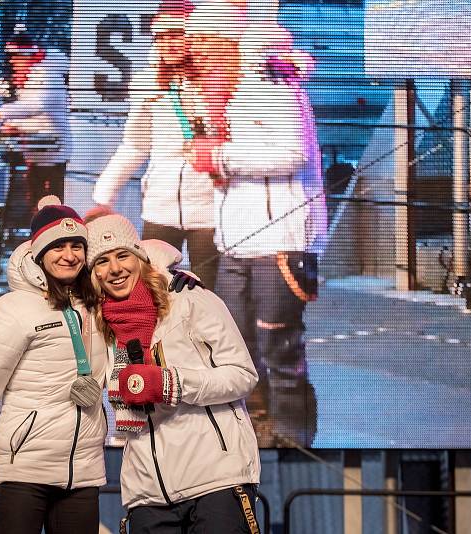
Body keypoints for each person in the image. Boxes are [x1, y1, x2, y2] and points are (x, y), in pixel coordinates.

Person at [0, 197, 199, 532]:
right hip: (25, 468)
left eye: (77, 245)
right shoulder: (16, 308)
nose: (69, 255)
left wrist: (173, 273)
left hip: (85, 470)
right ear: (39, 253)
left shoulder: (98, 302)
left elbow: (134, 252)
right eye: (58, 246)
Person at [184, 15, 326, 446]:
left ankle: (293, 440)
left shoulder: (272, 86)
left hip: (279, 241)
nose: (198, 50)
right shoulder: (219, 94)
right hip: (237, 243)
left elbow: (292, 152)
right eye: (196, 41)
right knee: (236, 349)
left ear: (233, 44)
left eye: (207, 39)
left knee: (279, 351)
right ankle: (253, 435)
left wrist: (221, 156)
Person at [85, 212, 262, 534]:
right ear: (93, 273)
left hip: (215, 477)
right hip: (146, 489)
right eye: (102, 261)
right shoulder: (99, 325)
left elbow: (242, 375)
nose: (115, 269)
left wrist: (172, 383)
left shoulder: (190, 299)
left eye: (123, 255)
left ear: (140, 258)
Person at [89, 0, 222, 290]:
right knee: (153, 293)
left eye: (177, 34)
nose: (169, 43)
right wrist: (104, 195)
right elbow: (135, 144)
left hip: (211, 208)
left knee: (208, 296)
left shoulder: (219, 79)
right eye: (161, 36)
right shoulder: (147, 80)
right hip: (160, 207)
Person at [0, 29, 70, 220]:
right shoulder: (28, 77)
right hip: (36, 152)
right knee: (36, 206)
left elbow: (38, 105)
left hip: (52, 153)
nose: (12, 62)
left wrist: (0, 113)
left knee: (51, 207)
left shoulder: (47, 75)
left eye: (15, 57)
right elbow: (32, 114)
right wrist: (14, 125)